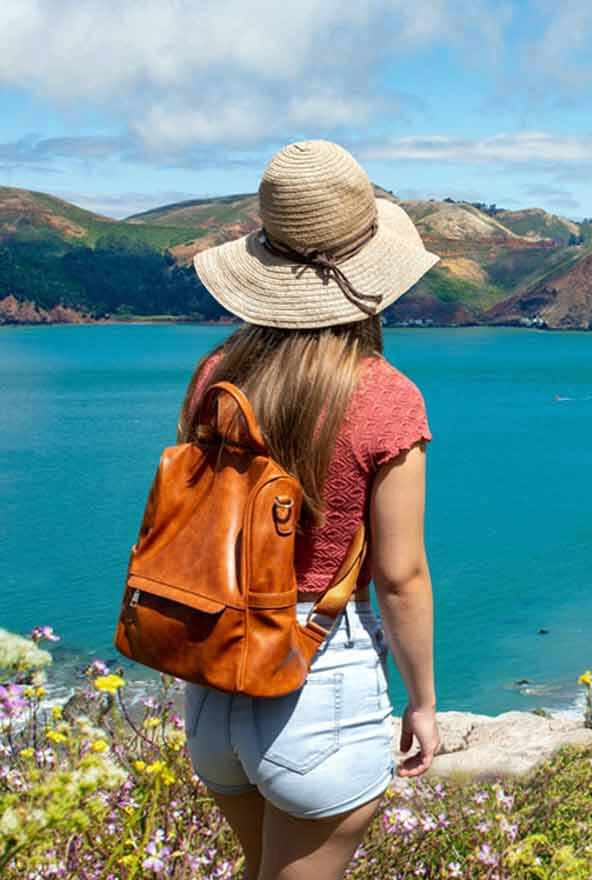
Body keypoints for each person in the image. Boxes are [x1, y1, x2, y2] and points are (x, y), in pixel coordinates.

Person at [179, 140, 442, 879]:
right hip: (317, 681)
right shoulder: (386, 395)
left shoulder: (216, 375)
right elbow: (400, 577)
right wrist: (422, 703)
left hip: (212, 682)